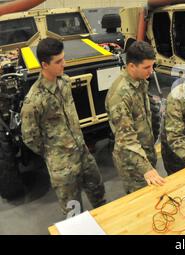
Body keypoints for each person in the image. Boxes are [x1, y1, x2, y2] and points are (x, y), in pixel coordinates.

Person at [21, 38, 105, 215]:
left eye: (63, 58)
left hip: (82, 152)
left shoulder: (65, 82)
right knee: (73, 211)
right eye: (58, 61)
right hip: (62, 166)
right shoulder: (34, 100)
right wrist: (53, 152)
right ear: (44, 64)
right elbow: (29, 137)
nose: (64, 64)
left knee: (99, 195)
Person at [105, 41, 165, 194]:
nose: (151, 71)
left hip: (145, 153)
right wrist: (146, 168)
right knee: (141, 201)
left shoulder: (139, 82)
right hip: (132, 163)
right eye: (146, 67)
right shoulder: (120, 94)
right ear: (131, 66)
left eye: (152, 66)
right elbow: (126, 139)